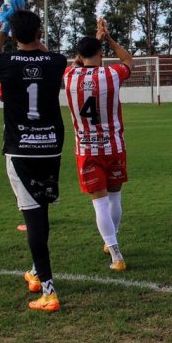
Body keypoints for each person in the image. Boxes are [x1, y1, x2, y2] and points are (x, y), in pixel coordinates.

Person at [0, 0, 66, 312]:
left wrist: (4, 28)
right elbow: (44, 56)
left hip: (20, 149)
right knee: (41, 210)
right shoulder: (56, 61)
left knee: (32, 215)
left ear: (15, 35)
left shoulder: (5, 63)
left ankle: (48, 290)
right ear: (40, 32)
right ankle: (35, 271)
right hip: (50, 148)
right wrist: (31, 36)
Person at [63, 18, 134, 271]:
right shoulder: (112, 74)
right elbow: (128, 61)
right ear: (101, 53)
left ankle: (115, 254)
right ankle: (111, 242)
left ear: (79, 56)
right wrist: (109, 38)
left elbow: (77, 62)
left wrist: (94, 39)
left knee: (99, 202)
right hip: (114, 146)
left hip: (87, 149)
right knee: (115, 197)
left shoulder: (69, 75)